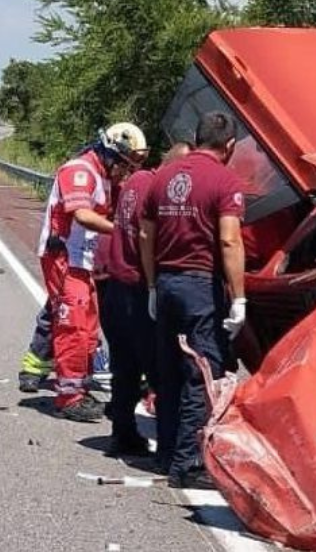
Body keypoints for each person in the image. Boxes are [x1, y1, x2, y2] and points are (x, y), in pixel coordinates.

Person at [141, 112, 245, 489]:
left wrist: (152, 285)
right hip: (200, 286)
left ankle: (166, 453)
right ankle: (187, 464)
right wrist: (239, 297)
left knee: (168, 371)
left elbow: (145, 234)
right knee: (200, 374)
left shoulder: (163, 176)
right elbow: (229, 240)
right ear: (229, 145)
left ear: (197, 138)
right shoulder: (225, 181)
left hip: (166, 282)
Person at [35, 123, 146, 422]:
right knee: (72, 325)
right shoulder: (80, 171)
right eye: (124, 166)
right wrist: (123, 232)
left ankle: (78, 388)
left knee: (88, 327)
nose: (125, 173)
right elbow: (82, 215)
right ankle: (68, 397)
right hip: (63, 258)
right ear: (111, 155)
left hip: (82, 260)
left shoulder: (105, 177)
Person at [101, 141, 191, 456]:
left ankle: (122, 434)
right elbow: (149, 239)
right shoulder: (156, 191)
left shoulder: (136, 180)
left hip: (114, 287)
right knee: (161, 371)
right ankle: (171, 448)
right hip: (138, 289)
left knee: (123, 367)